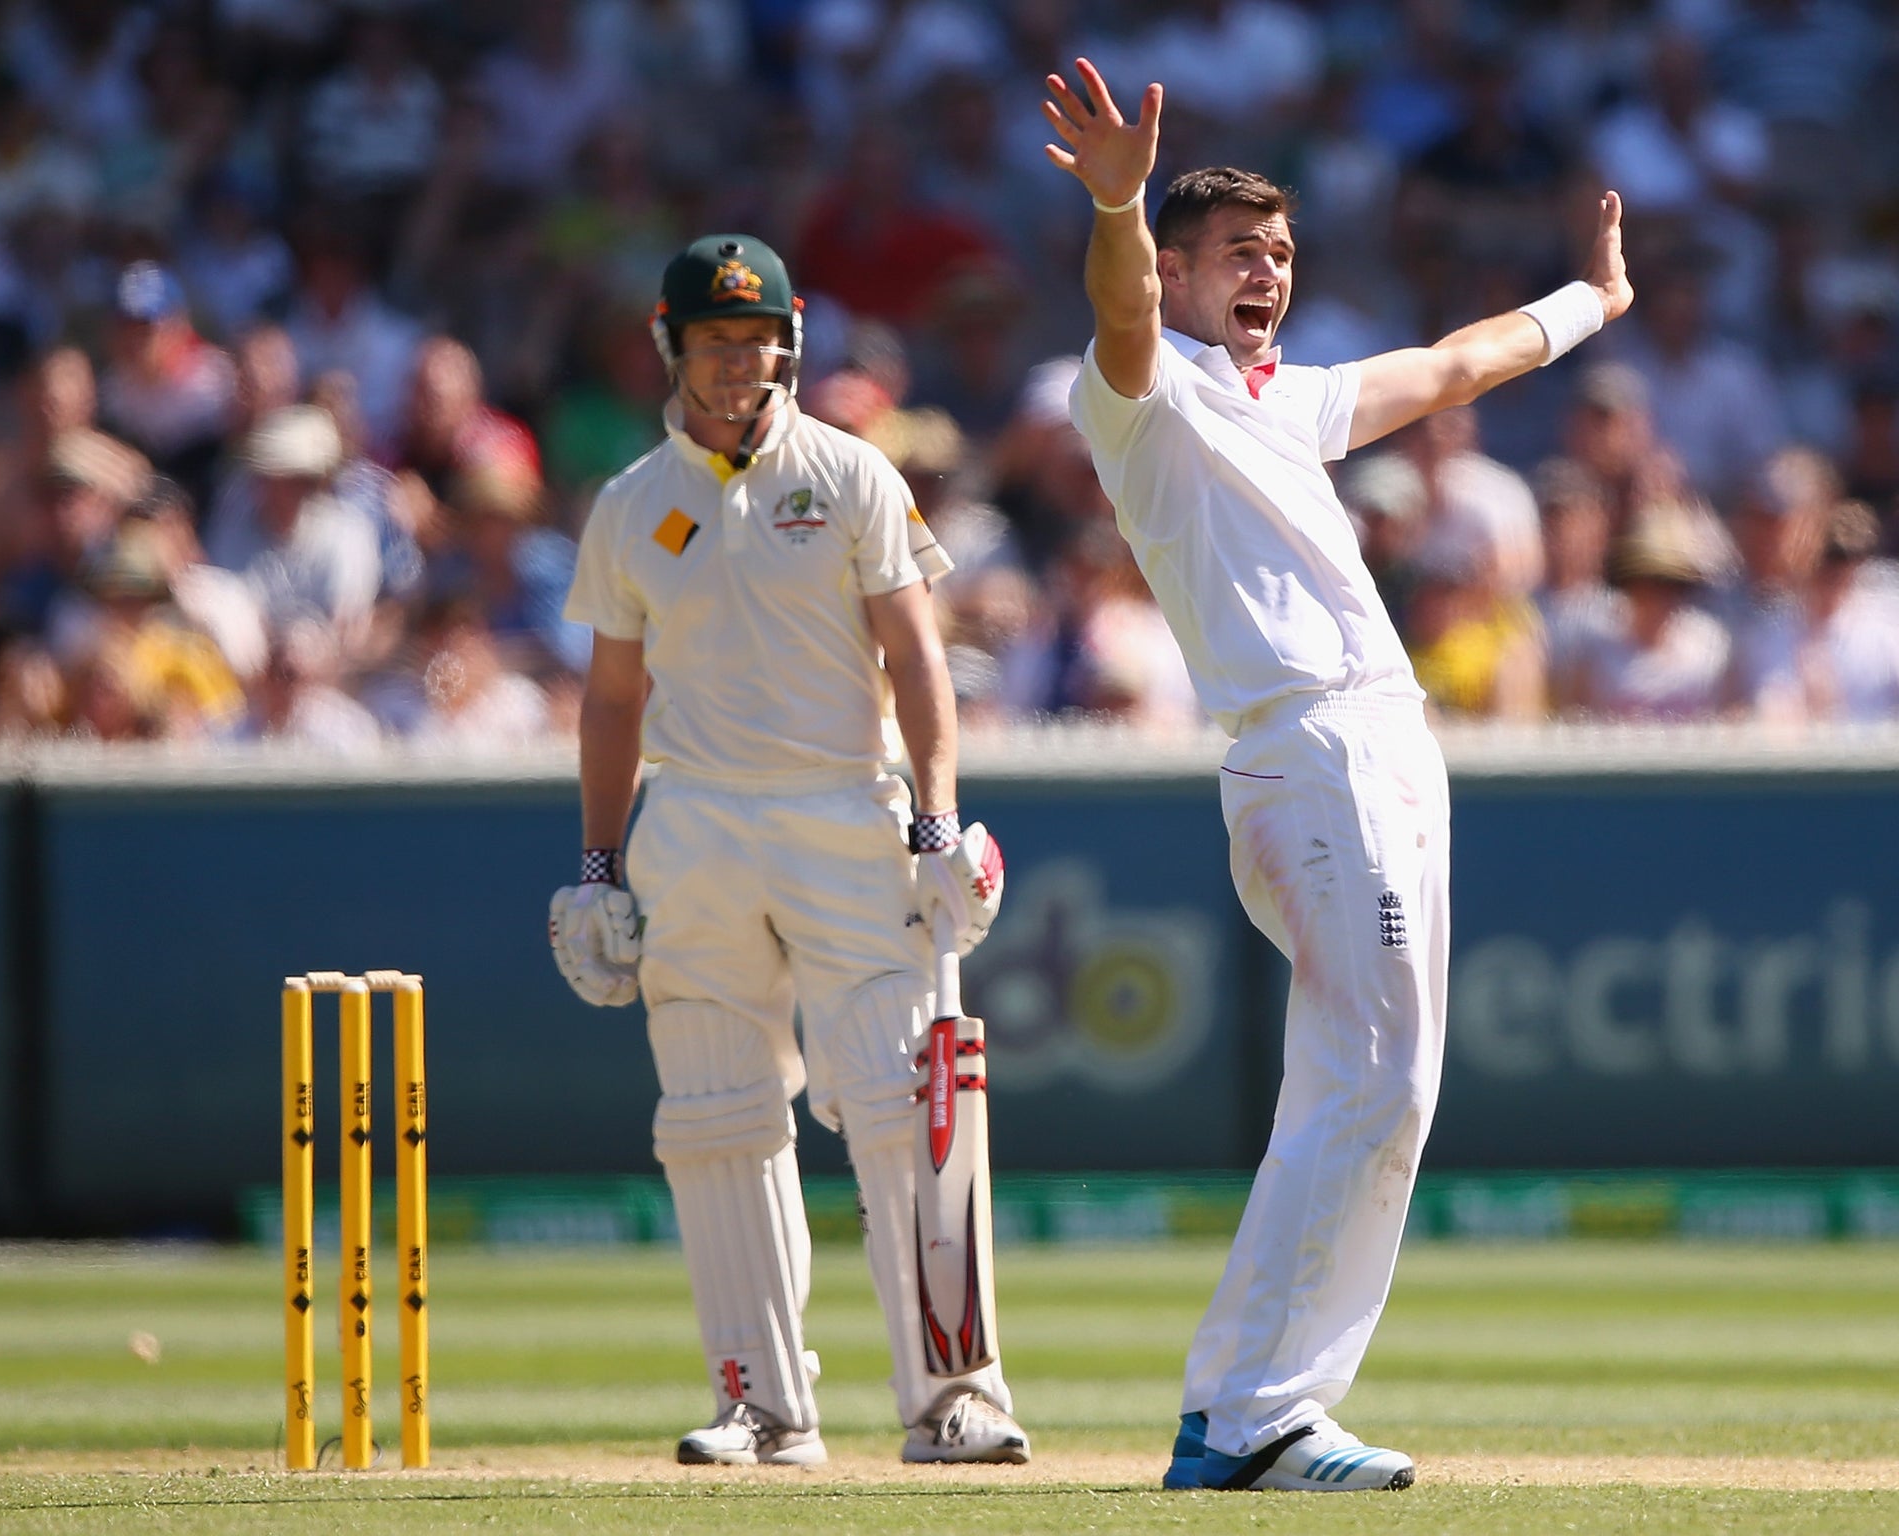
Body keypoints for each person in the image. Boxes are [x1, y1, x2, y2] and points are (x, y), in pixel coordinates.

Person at [1042, 58, 1634, 1492]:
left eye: (1284, 253)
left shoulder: (1285, 404)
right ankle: (1245, 1418)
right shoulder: (1140, 396)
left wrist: (1593, 304)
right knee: (1369, 1077)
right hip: (1312, 750)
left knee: (1392, 1085)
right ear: (1179, 272)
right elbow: (1120, 313)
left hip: (1382, 745)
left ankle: (1258, 1413)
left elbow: (1450, 367)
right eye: (1240, 254)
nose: (1269, 274)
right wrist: (1120, 203)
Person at [550, 233, 1029, 1468]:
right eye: (712, 342)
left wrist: (934, 819)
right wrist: (597, 868)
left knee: (899, 1103)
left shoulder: (854, 474)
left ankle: (955, 1401)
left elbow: (918, 657)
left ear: (790, 342)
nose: (735, 366)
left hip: (843, 811)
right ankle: (759, 1403)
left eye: (755, 341)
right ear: (672, 348)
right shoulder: (630, 504)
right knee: (712, 1116)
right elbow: (610, 703)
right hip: (695, 821)